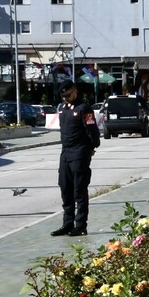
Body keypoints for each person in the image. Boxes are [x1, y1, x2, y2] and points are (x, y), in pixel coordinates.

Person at [51, 81, 101, 237]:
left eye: (68, 95)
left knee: (79, 189)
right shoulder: (64, 109)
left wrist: (91, 147)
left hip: (80, 152)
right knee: (65, 187)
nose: (66, 98)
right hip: (65, 152)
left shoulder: (84, 108)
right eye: (63, 96)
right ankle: (67, 224)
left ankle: (80, 226)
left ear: (75, 91)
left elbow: (92, 131)